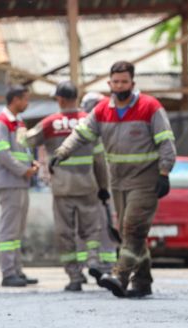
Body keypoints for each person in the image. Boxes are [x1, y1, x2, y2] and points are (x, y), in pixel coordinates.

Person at [52, 61, 177, 298]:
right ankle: (142, 281)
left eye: (124, 82)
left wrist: (164, 172)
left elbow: (166, 141)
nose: (120, 86)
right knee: (128, 231)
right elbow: (81, 133)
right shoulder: (102, 110)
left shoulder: (150, 107)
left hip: (145, 180)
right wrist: (62, 152)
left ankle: (120, 276)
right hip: (118, 181)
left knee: (132, 229)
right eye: (116, 82)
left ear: (133, 83)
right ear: (110, 83)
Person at [26, 81, 110, 292]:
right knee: (91, 230)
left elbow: (27, 141)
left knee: (65, 232)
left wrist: (17, 129)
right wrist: (103, 186)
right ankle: (92, 261)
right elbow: (100, 160)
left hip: (62, 188)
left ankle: (74, 277)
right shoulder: (89, 122)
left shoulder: (50, 123)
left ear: (61, 100)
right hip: (88, 185)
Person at [0, 85, 41, 287]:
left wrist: (31, 164)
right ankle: (8, 273)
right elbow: (3, 154)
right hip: (9, 181)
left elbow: (22, 150)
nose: (27, 103)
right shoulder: (1, 124)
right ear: (16, 100)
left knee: (17, 229)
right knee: (9, 229)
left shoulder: (17, 123)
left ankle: (17, 271)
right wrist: (24, 170)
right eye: (25, 99)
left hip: (19, 181)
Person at [80, 91, 119, 274]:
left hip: (97, 184)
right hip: (96, 184)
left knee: (96, 225)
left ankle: (95, 262)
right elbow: (99, 161)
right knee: (100, 224)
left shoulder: (101, 127)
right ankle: (101, 262)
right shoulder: (92, 128)